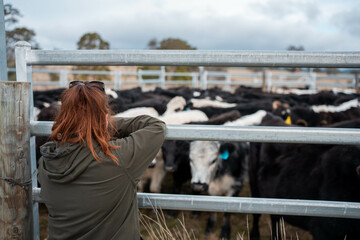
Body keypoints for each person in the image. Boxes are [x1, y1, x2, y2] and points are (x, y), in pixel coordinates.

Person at [38, 81, 166, 240]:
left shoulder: (47, 161)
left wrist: (84, 123)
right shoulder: (118, 157)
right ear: (105, 119)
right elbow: (156, 127)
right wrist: (102, 124)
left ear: (62, 118)